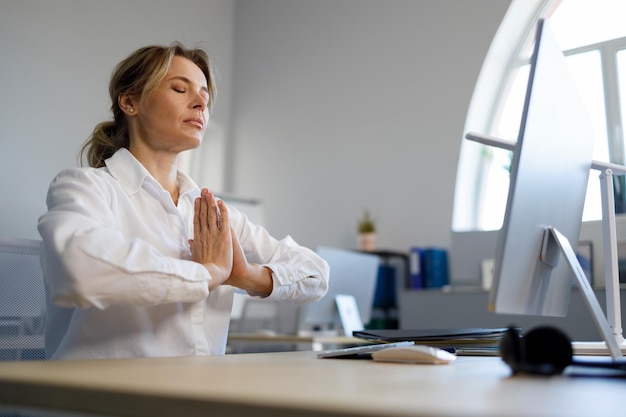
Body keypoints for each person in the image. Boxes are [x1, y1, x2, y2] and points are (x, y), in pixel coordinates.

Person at [37, 42, 329, 360]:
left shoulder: (213, 213)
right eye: (180, 89)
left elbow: (316, 273)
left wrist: (247, 276)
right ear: (130, 102)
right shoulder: (84, 187)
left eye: (204, 94)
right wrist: (208, 274)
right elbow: (81, 270)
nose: (201, 102)